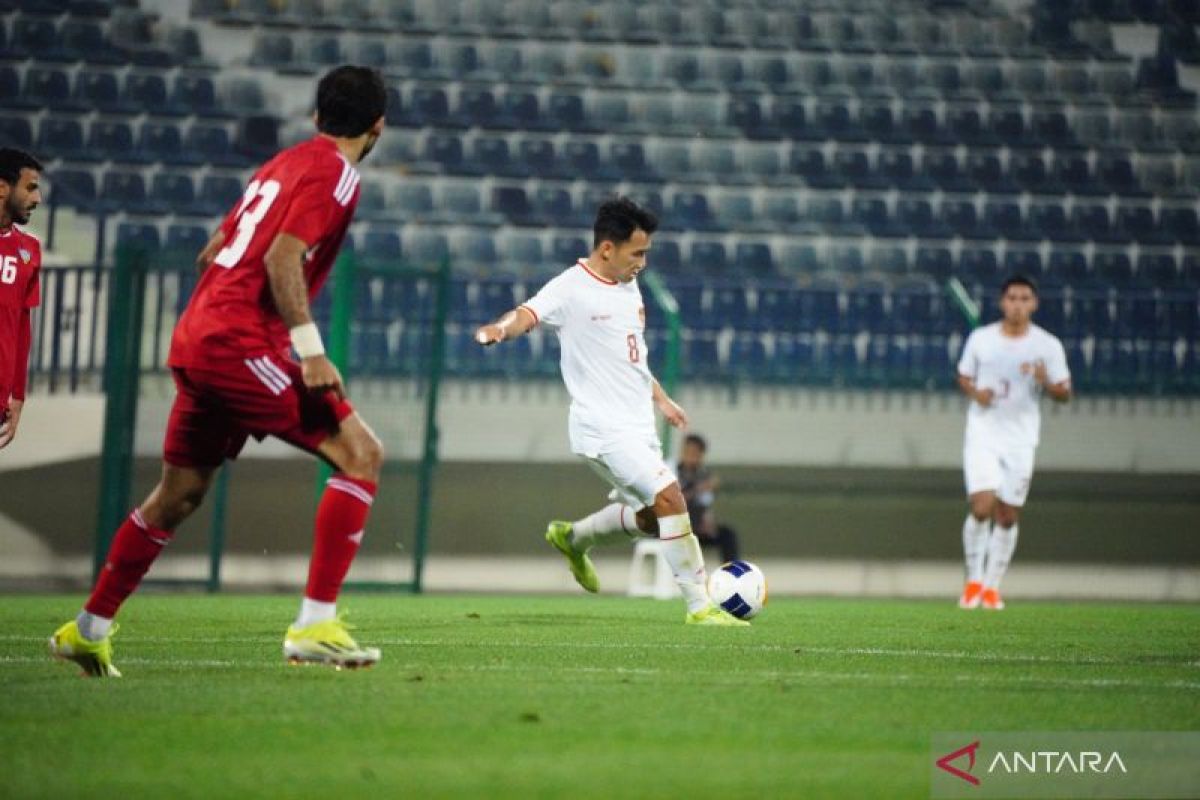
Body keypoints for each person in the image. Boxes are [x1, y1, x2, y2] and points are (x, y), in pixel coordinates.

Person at [50, 66, 389, 677]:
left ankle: (89, 629)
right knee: (360, 452)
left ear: (316, 118)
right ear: (378, 126)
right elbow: (285, 255)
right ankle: (315, 624)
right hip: (235, 340)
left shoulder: (279, 166)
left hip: (199, 334)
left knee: (178, 495)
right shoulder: (336, 173)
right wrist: (309, 349)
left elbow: (216, 245)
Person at [474, 197, 747, 626]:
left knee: (655, 519)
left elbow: (630, 358)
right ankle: (700, 605)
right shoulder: (571, 286)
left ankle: (574, 538)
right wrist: (500, 330)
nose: (642, 262)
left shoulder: (628, 284)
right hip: (601, 427)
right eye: (637, 252)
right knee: (671, 498)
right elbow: (527, 314)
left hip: (639, 426)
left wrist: (660, 399)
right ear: (607, 249)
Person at [955, 275, 1071, 611]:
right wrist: (977, 392)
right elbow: (963, 375)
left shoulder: (1047, 346)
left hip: (1021, 439)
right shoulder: (981, 339)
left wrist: (1044, 381)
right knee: (981, 506)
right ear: (1002, 302)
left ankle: (992, 587)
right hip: (983, 433)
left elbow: (1065, 393)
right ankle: (973, 580)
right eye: (1012, 298)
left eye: (1024, 298)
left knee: (1006, 515)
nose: (1018, 304)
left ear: (1033, 304)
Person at [0, 148, 43, 452]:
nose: (37, 198)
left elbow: (22, 326)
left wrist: (17, 395)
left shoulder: (28, 251)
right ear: (2, 188)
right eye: (30, 187)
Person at [676, 433, 740, 564]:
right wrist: (700, 488)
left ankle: (730, 575)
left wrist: (708, 521)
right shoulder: (671, 471)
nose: (691, 456)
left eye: (696, 453)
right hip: (675, 526)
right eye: (688, 451)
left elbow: (704, 504)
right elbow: (676, 500)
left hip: (697, 527)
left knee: (728, 534)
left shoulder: (703, 474)